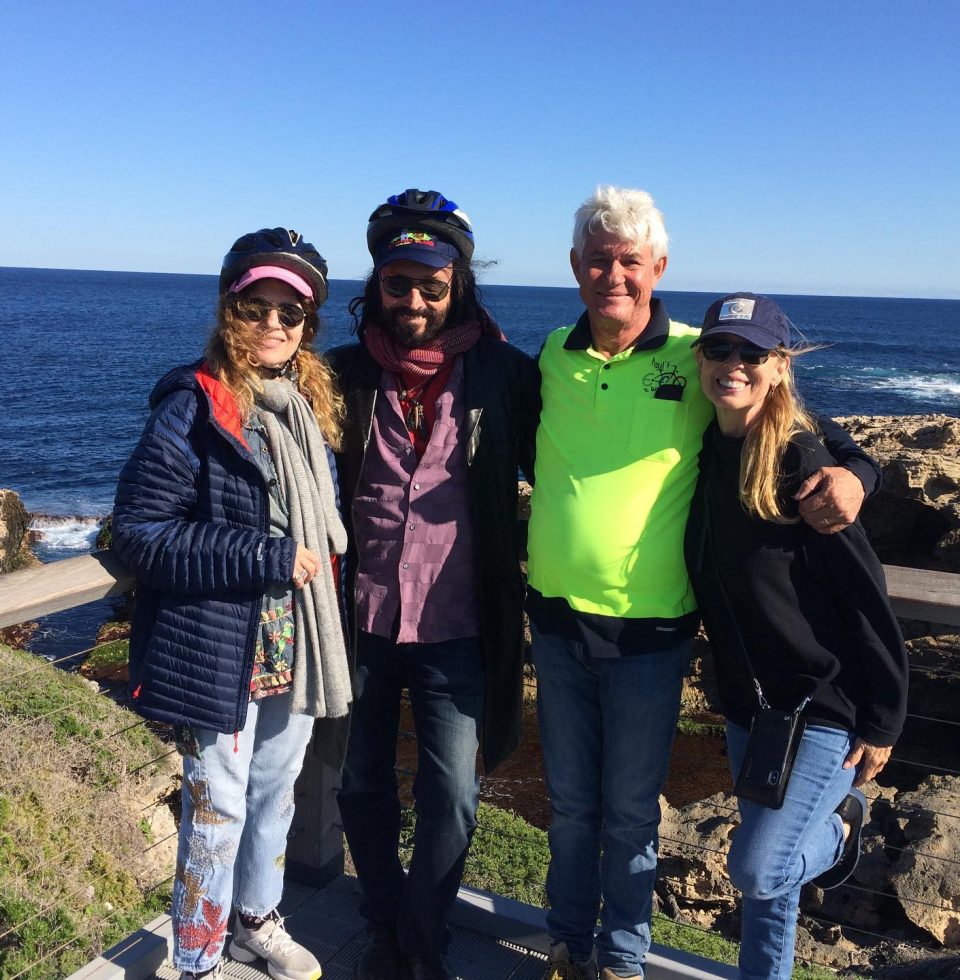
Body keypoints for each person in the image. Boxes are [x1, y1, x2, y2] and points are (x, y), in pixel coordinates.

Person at [525, 187, 882, 980]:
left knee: (627, 814)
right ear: (576, 267)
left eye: (629, 260)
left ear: (657, 267)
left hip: (652, 636)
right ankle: (566, 943)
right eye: (597, 259)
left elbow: (802, 425)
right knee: (572, 810)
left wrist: (857, 472)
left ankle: (622, 960)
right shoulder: (553, 353)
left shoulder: (699, 354)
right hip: (553, 625)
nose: (612, 274)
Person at [113, 228, 349, 980]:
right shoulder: (192, 405)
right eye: (258, 306)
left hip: (296, 637)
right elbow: (140, 536)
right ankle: (197, 958)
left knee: (275, 794)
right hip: (221, 640)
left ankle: (256, 920)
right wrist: (262, 555)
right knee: (217, 809)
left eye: (292, 312)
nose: (275, 325)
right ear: (228, 308)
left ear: (308, 327)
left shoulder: (303, 408)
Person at [328, 188, 539, 980]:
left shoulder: (507, 375)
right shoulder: (341, 375)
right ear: (376, 284)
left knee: (450, 796)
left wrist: (837, 462)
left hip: (458, 625)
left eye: (432, 285)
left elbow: (589, 455)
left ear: (459, 288)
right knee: (360, 784)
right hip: (362, 622)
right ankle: (385, 923)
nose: (412, 300)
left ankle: (423, 942)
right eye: (396, 282)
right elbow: (252, 414)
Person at [684, 293, 908, 979]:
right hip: (750, 706)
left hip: (821, 706)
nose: (734, 364)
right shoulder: (700, 441)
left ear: (779, 367)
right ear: (699, 358)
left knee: (759, 867)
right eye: (720, 348)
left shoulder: (799, 464)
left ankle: (841, 831)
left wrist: (884, 717)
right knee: (772, 897)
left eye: (754, 353)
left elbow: (867, 598)